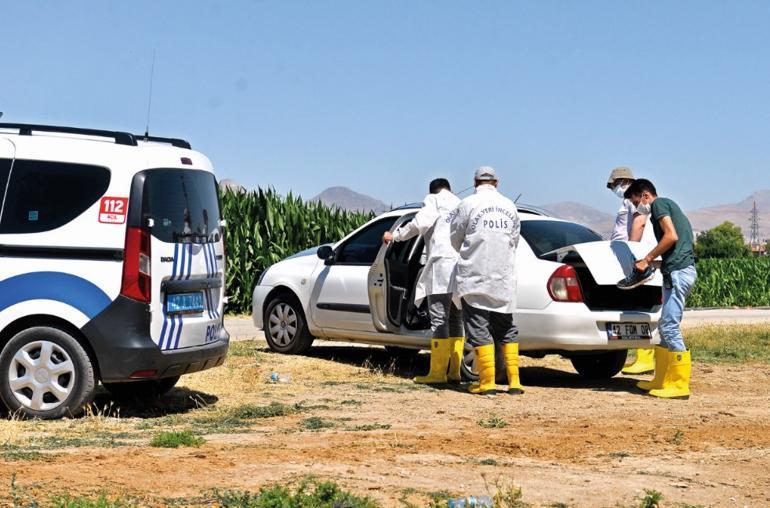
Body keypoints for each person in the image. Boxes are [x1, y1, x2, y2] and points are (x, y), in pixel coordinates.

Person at [449, 166, 522, 395]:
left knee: (478, 326)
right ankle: (514, 382)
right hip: (503, 276)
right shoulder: (510, 206)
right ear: (496, 183)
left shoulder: (467, 204)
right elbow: (515, 239)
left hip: (476, 275)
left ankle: (487, 382)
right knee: (506, 327)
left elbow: (455, 238)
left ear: (475, 182)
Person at [383, 178, 463, 384]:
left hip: (440, 265)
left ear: (433, 191)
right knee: (456, 318)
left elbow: (420, 224)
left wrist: (396, 236)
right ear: (449, 189)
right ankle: (454, 372)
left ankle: (437, 374)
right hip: (460, 266)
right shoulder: (461, 204)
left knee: (439, 318)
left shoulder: (433, 200)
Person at [622, 179, 697, 399]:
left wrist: (647, 258)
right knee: (664, 329)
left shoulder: (659, 205)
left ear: (645, 195)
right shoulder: (666, 206)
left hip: (678, 273)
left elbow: (671, 236)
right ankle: (662, 379)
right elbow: (677, 245)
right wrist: (653, 265)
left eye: (637, 202)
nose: (638, 208)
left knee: (669, 326)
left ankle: (680, 385)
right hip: (674, 271)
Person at [606, 167, 656, 375]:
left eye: (614, 184)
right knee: (638, 304)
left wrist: (634, 253)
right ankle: (643, 355)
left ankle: (645, 357)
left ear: (624, 181)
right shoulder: (628, 200)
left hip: (634, 257)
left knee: (638, 305)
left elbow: (639, 222)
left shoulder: (632, 200)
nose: (614, 189)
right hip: (630, 257)